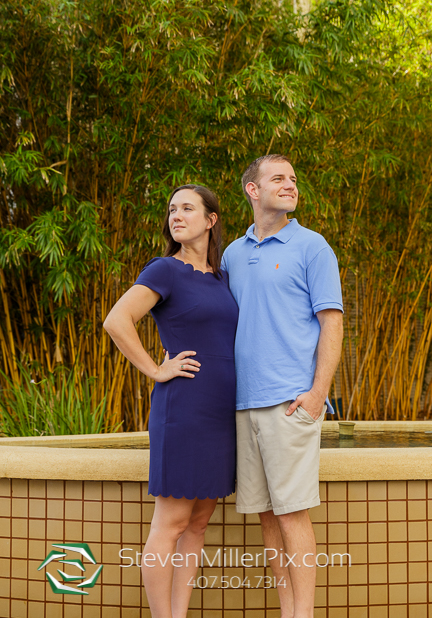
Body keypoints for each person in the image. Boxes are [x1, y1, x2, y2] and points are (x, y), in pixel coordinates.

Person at [103, 184, 238, 618]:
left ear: (210, 220)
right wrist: (156, 369)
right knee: (171, 523)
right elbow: (116, 320)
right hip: (184, 409)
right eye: (171, 209)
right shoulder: (165, 269)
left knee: (198, 522)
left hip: (220, 412)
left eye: (187, 208)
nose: (176, 215)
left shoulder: (222, 277)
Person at [222, 155, 344, 618]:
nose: (290, 185)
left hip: (291, 402)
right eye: (278, 178)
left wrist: (317, 394)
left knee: (292, 514)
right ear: (253, 190)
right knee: (268, 516)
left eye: (293, 178)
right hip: (243, 403)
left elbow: (331, 324)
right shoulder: (233, 253)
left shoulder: (313, 247)